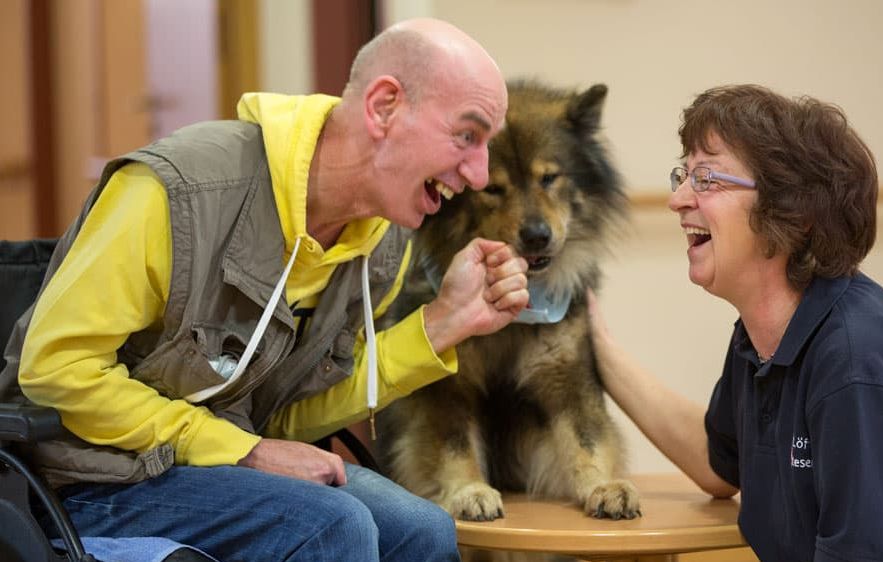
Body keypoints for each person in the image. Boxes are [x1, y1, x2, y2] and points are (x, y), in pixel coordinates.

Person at [0, 17, 529, 562]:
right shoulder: (176, 193)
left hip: (209, 463)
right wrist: (244, 450)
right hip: (83, 482)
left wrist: (445, 322)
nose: (482, 174)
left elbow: (284, 418)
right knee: (332, 526)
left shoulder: (382, 247)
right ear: (384, 106)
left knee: (424, 530)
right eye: (467, 136)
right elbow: (54, 369)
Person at [587, 84, 883, 562]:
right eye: (683, 175)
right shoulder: (762, 338)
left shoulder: (857, 364)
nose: (677, 199)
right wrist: (593, 345)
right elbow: (718, 463)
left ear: (795, 212)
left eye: (706, 178)